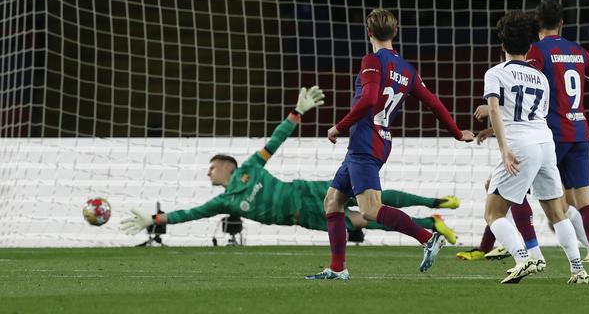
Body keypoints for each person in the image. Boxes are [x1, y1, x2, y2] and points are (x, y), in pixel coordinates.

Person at [120, 86, 460, 243]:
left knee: (369, 197)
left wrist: (296, 113)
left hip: (307, 191)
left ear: (227, 165)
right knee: (364, 222)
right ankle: (429, 222)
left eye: (212, 166)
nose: (209, 173)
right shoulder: (224, 201)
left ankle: (434, 202)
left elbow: (274, 142)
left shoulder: (250, 167)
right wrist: (153, 220)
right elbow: (188, 214)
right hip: (305, 217)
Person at [306, 9, 474, 281]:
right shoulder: (407, 69)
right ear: (394, 33)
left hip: (365, 141)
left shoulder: (372, 60)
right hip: (378, 141)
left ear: (369, 32)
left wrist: (340, 126)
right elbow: (433, 103)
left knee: (370, 210)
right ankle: (338, 268)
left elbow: (370, 99)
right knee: (333, 201)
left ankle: (427, 238)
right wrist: (456, 132)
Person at [482, 10, 587, 284]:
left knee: (493, 213)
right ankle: (578, 269)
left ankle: (523, 257)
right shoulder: (540, 77)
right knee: (557, 212)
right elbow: (539, 113)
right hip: (545, 144)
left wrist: (504, 148)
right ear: (530, 47)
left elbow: (494, 109)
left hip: (520, 145)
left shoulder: (495, 73)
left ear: (503, 45)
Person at [526, 0, 589, 277]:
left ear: (537, 25)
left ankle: (528, 251)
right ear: (562, 23)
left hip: (552, 134)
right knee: (585, 201)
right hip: (580, 132)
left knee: (511, 192)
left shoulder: (537, 51)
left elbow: (530, 88)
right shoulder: (577, 50)